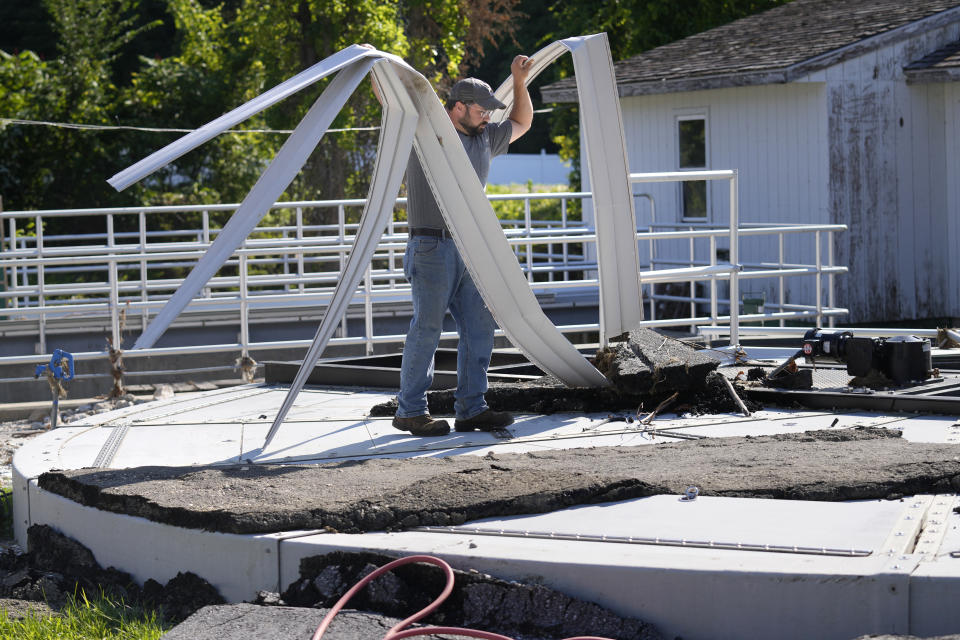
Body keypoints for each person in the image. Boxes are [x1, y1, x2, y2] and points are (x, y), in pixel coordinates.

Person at [393, 55, 535, 437]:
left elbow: (522, 122)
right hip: (431, 245)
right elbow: (393, 98)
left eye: (490, 110)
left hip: (470, 246)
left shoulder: (486, 138)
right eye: (481, 109)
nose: (488, 116)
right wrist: (382, 67)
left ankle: (471, 408)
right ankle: (410, 410)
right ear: (457, 108)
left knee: (479, 326)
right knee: (427, 328)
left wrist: (518, 80)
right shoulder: (428, 134)